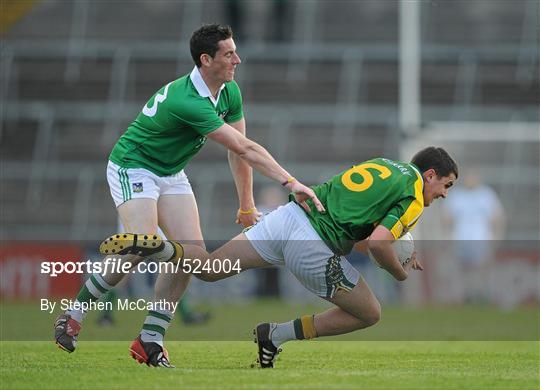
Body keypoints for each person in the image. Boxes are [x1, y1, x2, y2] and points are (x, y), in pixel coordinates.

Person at [53, 23, 324, 366]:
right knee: (142, 243)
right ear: (206, 59)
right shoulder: (188, 100)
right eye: (229, 54)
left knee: (192, 255)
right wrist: (292, 183)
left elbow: (239, 152)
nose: (237, 59)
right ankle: (74, 312)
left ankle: (150, 340)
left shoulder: (229, 91)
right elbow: (245, 146)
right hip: (133, 166)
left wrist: (247, 204)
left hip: (170, 172)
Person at [100, 146, 458, 368]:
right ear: (430, 175)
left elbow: (364, 235)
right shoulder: (412, 195)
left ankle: (159, 247)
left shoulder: (385, 166)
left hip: (290, 218)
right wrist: (400, 273)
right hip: (313, 244)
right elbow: (379, 245)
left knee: (209, 268)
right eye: (445, 185)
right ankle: (276, 335)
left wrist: (390, 246)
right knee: (370, 312)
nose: (443, 194)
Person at [442, 168, 505, 302]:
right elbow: (447, 219)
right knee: (461, 272)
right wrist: (447, 237)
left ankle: (483, 297)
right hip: (460, 239)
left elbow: (497, 218)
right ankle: (464, 298)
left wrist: (496, 238)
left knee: (481, 271)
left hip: (481, 239)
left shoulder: (486, 195)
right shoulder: (457, 196)